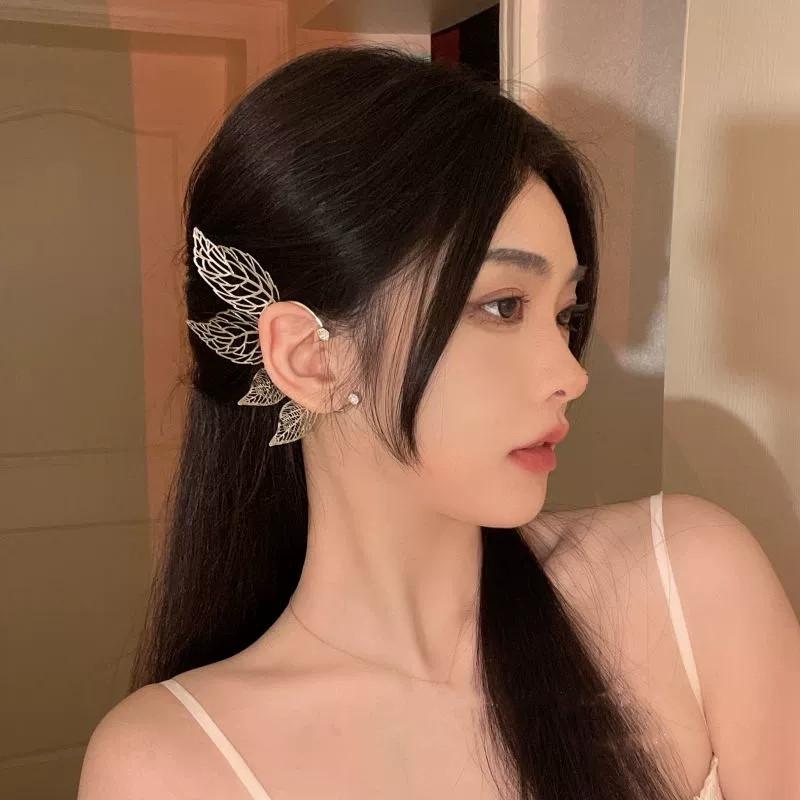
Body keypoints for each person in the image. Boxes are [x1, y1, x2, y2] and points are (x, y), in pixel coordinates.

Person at [77, 45, 799, 800]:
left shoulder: (691, 585)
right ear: (310, 358)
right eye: (503, 306)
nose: (572, 374)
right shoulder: (171, 764)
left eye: (564, 313)